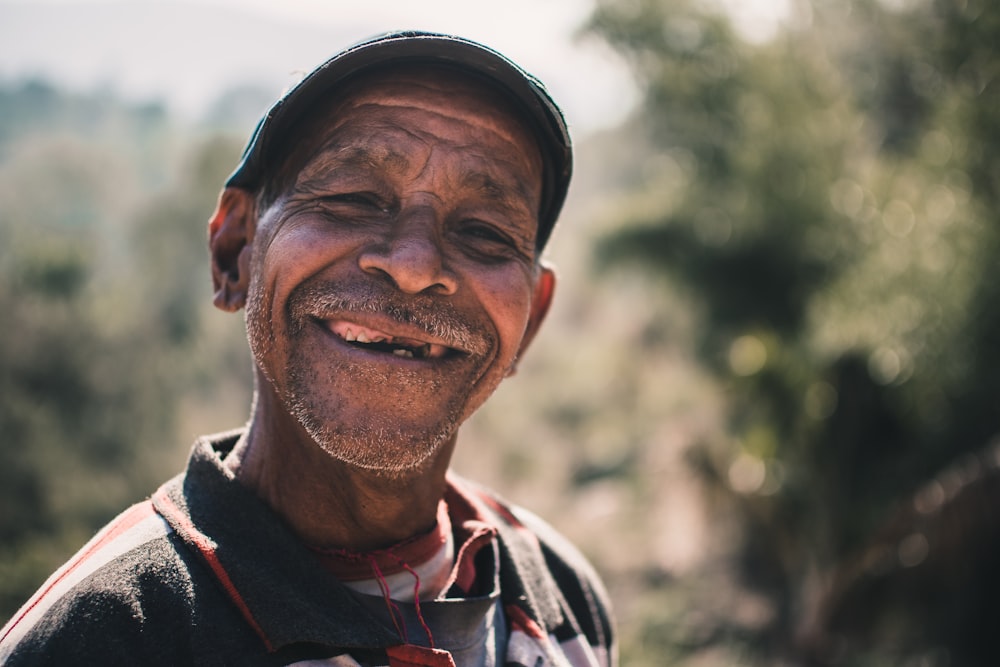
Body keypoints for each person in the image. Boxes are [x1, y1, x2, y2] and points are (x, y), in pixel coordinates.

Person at [0, 30, 615, 667]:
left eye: (484, 232)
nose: (413, 264)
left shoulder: (559, 595)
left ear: (532, 318)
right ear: (234, 251)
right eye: (353, 199)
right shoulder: (105, 636)